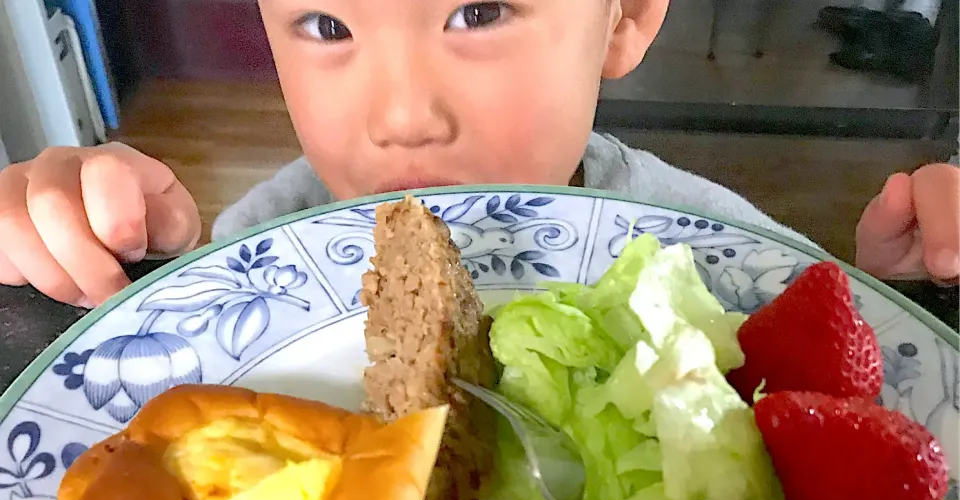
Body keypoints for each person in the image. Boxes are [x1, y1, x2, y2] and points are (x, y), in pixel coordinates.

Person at [0, 0, 957, 308]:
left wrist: (903, 293)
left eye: (479, 12)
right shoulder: (263, 248)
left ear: (624, 16)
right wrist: (106, 266)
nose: (404, 116)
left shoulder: (714, 251)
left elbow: (843, 385)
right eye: (327, 24)